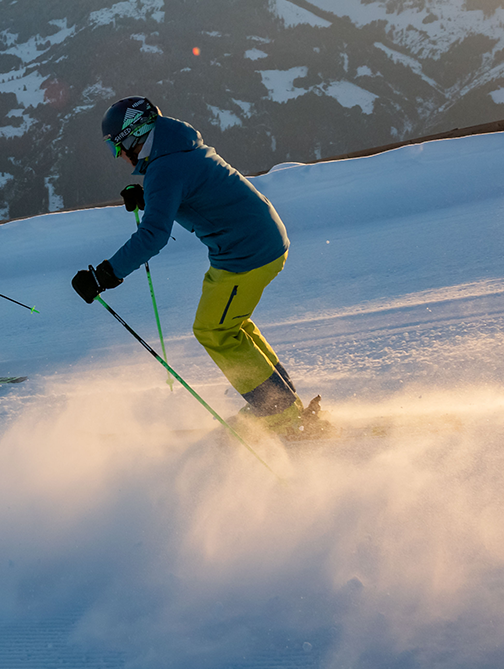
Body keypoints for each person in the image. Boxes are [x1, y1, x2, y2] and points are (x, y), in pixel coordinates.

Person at [69, 96, 321, 435]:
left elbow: (154, 235)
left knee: (215, 330)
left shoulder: (166, 167)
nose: (119, 156)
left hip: (246, 252)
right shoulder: (177, 149)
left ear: (133, 136)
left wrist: (105, 275)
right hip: (253, 243)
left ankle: (278, 413)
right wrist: (149, 197)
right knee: (230, 324)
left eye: (117, 147)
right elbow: (189, 189)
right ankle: (278, 403)